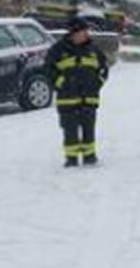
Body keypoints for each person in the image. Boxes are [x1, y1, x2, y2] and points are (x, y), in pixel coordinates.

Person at [45, 17, 108, 167]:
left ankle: (90, 156)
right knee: (70, 131)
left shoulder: (94, 50)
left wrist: (97, 83)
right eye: (83, 31)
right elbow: (48, 70)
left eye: (87, 31)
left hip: (89, 99)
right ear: (73, 33)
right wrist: (61, 84)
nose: (86, 34)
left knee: (89, 129)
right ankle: (71, 159)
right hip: (67, 100)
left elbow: (104, 69)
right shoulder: (58, 50)